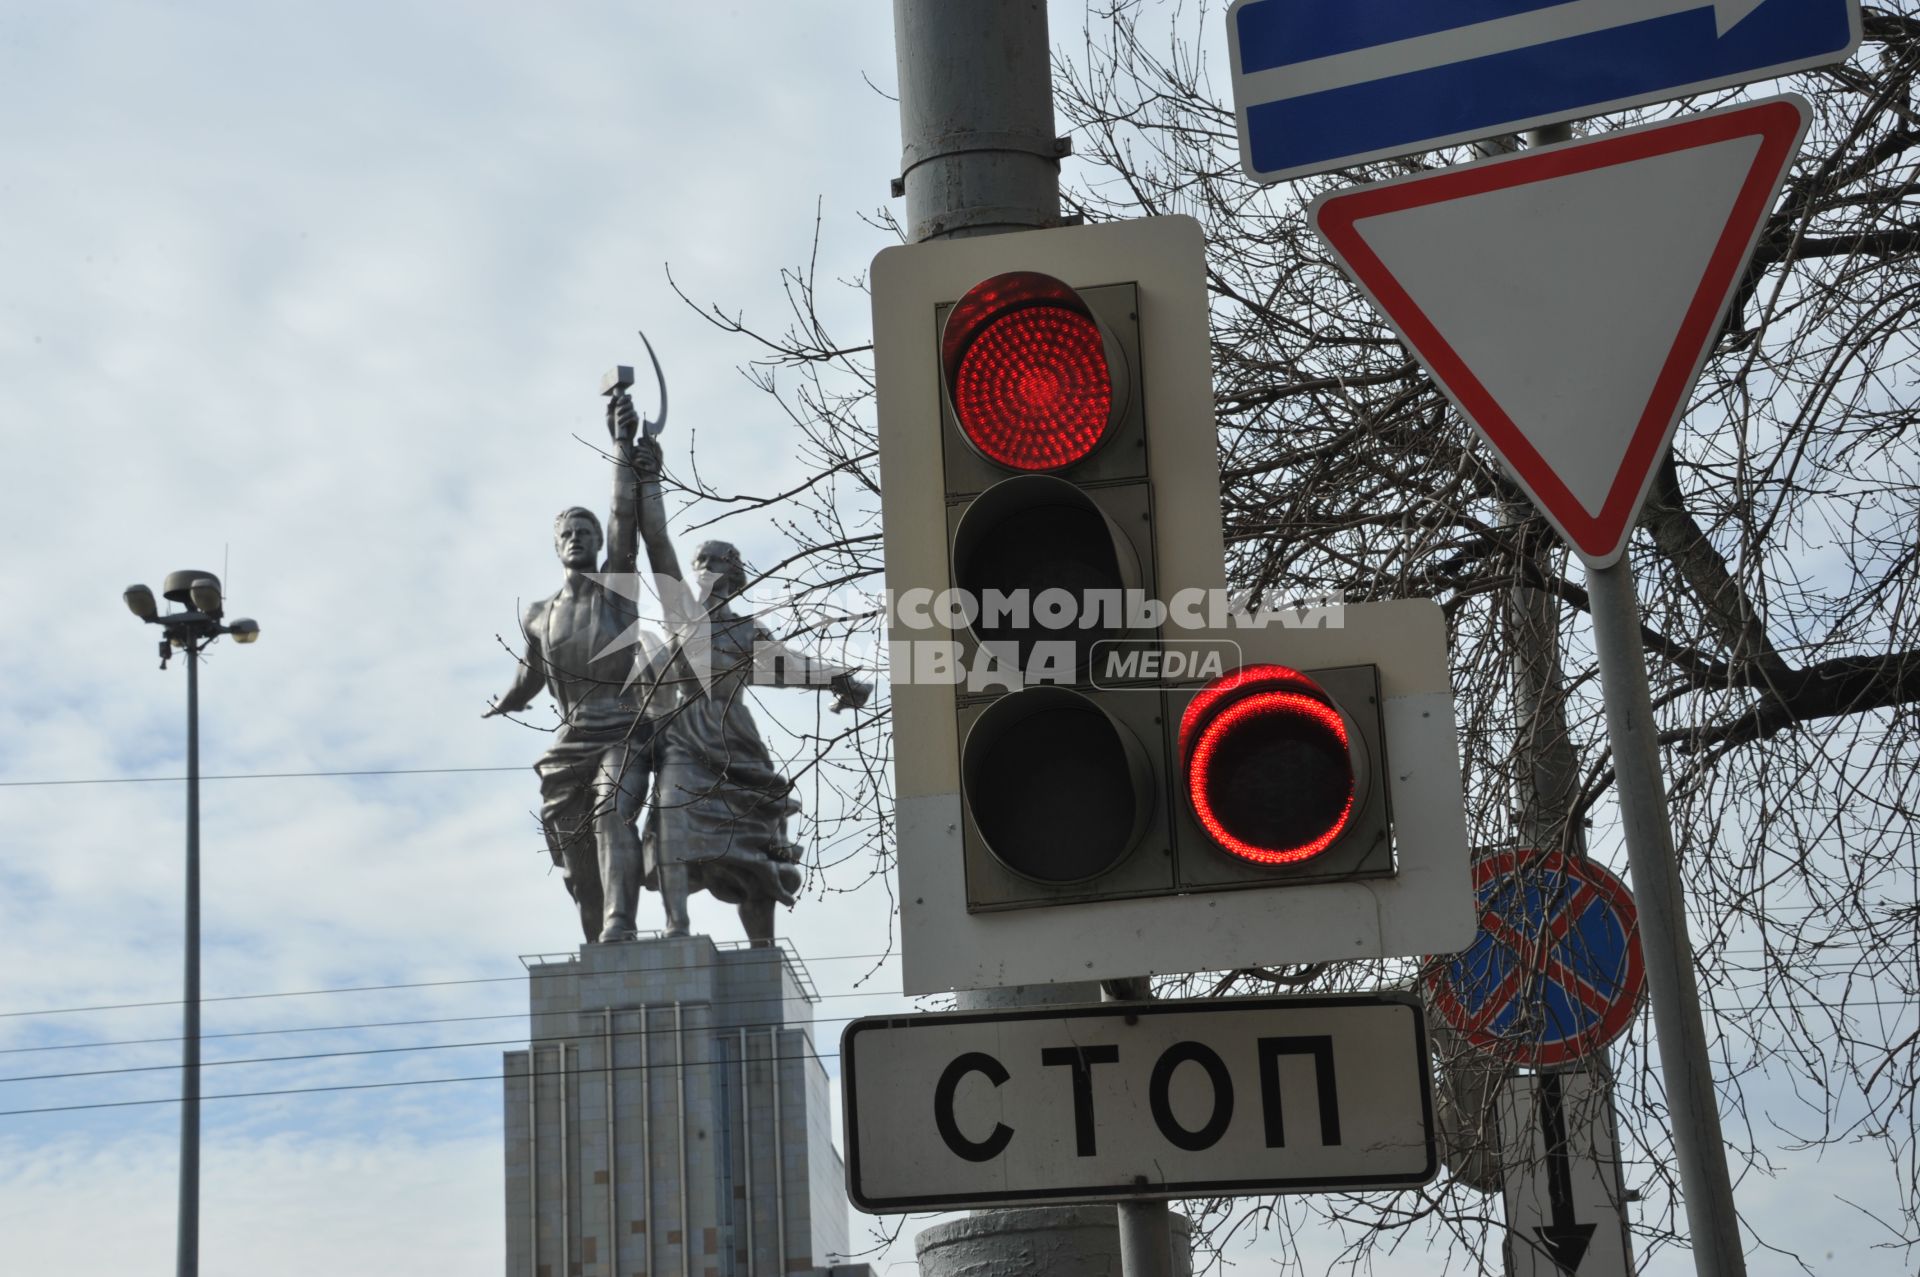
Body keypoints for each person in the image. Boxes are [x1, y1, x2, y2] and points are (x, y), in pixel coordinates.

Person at [485, 391, 682, 943]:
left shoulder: (615, 590)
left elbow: (624, 514)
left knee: (610, 816)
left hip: (622, 728)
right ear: (556, 546)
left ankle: (622, 922)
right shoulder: (538, 615)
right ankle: (598, 930)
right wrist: (508, 700)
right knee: (572, 848)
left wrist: (621, 444)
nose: (577, 539)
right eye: (567, 534)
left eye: (586, 533)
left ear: (600, 545)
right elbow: (531, 671)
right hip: (569, 740)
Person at [644, 540, 870, 943]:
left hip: (737, 741)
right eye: (699, 561)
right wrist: (644, 482)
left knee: (755, 842)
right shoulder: (681, 619)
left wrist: (841, 678)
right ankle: (677, 926)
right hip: (685, 739)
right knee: (672, 819)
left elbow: (793, 666)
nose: (705, 567)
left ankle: (762, 945)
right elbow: (657, 543)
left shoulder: (748, 631)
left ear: (734, 573)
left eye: (716, 560)